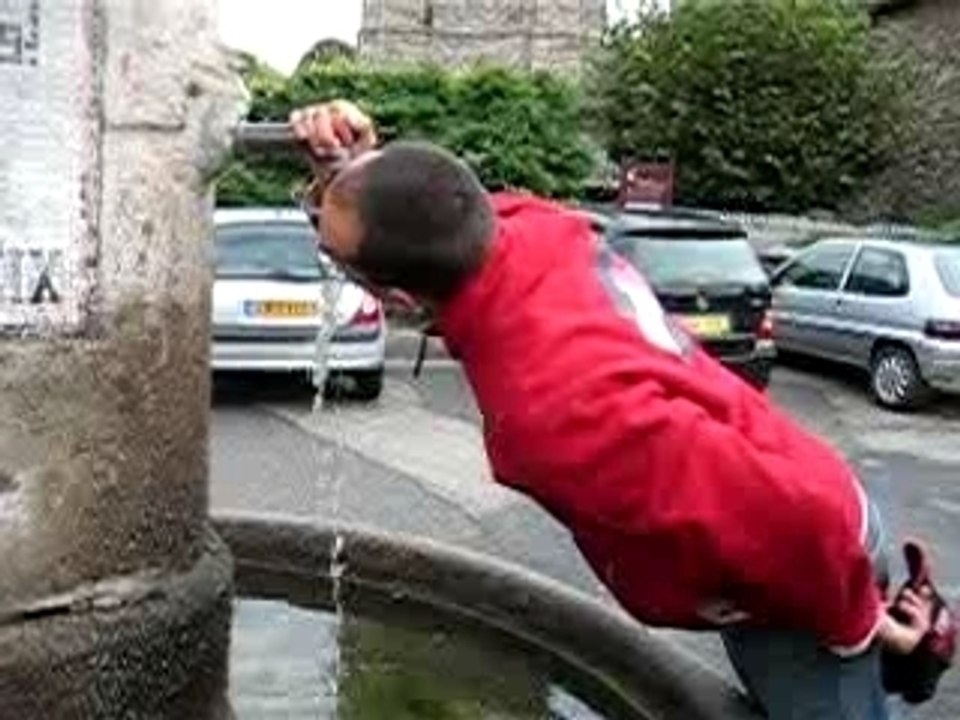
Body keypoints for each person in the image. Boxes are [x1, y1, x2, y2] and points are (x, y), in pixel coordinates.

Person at [288, 100, 936, 719]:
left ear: (399, 299)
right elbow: (426, 207)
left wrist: (862, 625)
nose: (319, 228)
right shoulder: (535, 229)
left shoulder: (555, 408)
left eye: (331, 249)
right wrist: (352, 171)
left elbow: (795, 523)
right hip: (787, 499)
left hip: (799, 568)